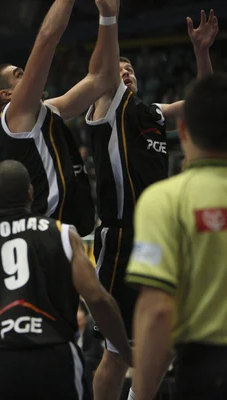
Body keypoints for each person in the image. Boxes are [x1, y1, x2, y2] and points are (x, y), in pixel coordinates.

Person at [85, 10, 218, 400]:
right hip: (120, 236)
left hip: (157, 235)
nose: (125, 73)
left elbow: (203, 104)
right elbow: (106, 71)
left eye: (130, 70)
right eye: (118, 69)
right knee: (116, 353)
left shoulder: (155, 114)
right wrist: (108, 20)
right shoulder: (103, 112)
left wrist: (201, 52)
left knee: (170, 341)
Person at [0, 160, 132, 399]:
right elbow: (97, 298)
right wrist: (124, 349)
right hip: (52, 354)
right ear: (30, 193)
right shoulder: (63, 234)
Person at [125, 73, 227, 400]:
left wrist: (141, 394)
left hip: (207, 368)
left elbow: (157, 310)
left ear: (182, 131)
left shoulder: (164, 200)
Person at [0, 0, 121, 236]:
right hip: (42, 233)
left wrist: (108, 17)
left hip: (68, 230)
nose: (27, 76)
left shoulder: (47, 110)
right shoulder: (14, 114)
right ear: (7, 95)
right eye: (19, 75)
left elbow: (102, 78)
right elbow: (47, 37)